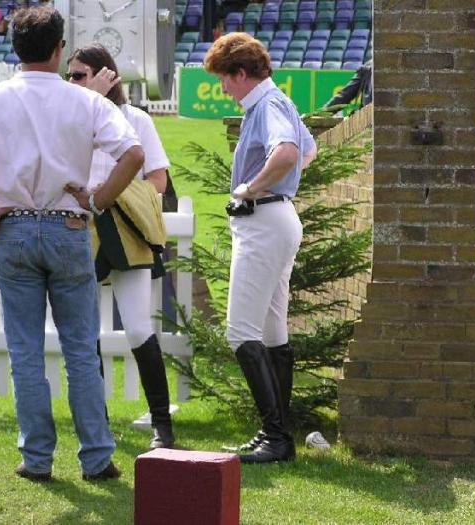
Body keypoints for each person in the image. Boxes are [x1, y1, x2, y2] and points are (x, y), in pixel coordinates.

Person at [0, 6, 144, 482]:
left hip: (15, 228)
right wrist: (98, 200)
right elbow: (133, 154)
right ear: (59, 49)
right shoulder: (86, 102)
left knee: (25, 352)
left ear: (16, 48)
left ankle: (36, 458)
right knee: (80, 351)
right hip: (69, 227)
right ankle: (96, 457)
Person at [204, 33, 317, 464]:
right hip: (279, 217)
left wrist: (252, 187)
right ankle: (278, 434)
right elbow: (310, 149)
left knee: (241, 332)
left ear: (241, 73)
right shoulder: (277, 101)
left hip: (263, 221)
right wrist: (278, 187)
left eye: (224, 81)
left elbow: (289, 153)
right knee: (272, 334)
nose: (224, 90)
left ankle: (275, 436)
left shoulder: (266, 106)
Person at [66, 44, 176, 450]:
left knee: (138, 326)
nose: (71, 82)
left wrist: (108, 195)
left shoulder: (136, 120)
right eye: (70, 75)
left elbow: (158, 181)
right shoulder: (69, 120)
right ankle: (98, 424)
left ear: (106, 75)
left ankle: (162, 427)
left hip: (126, 230)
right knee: (84, 332)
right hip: (78, 231)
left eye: (79, 75)